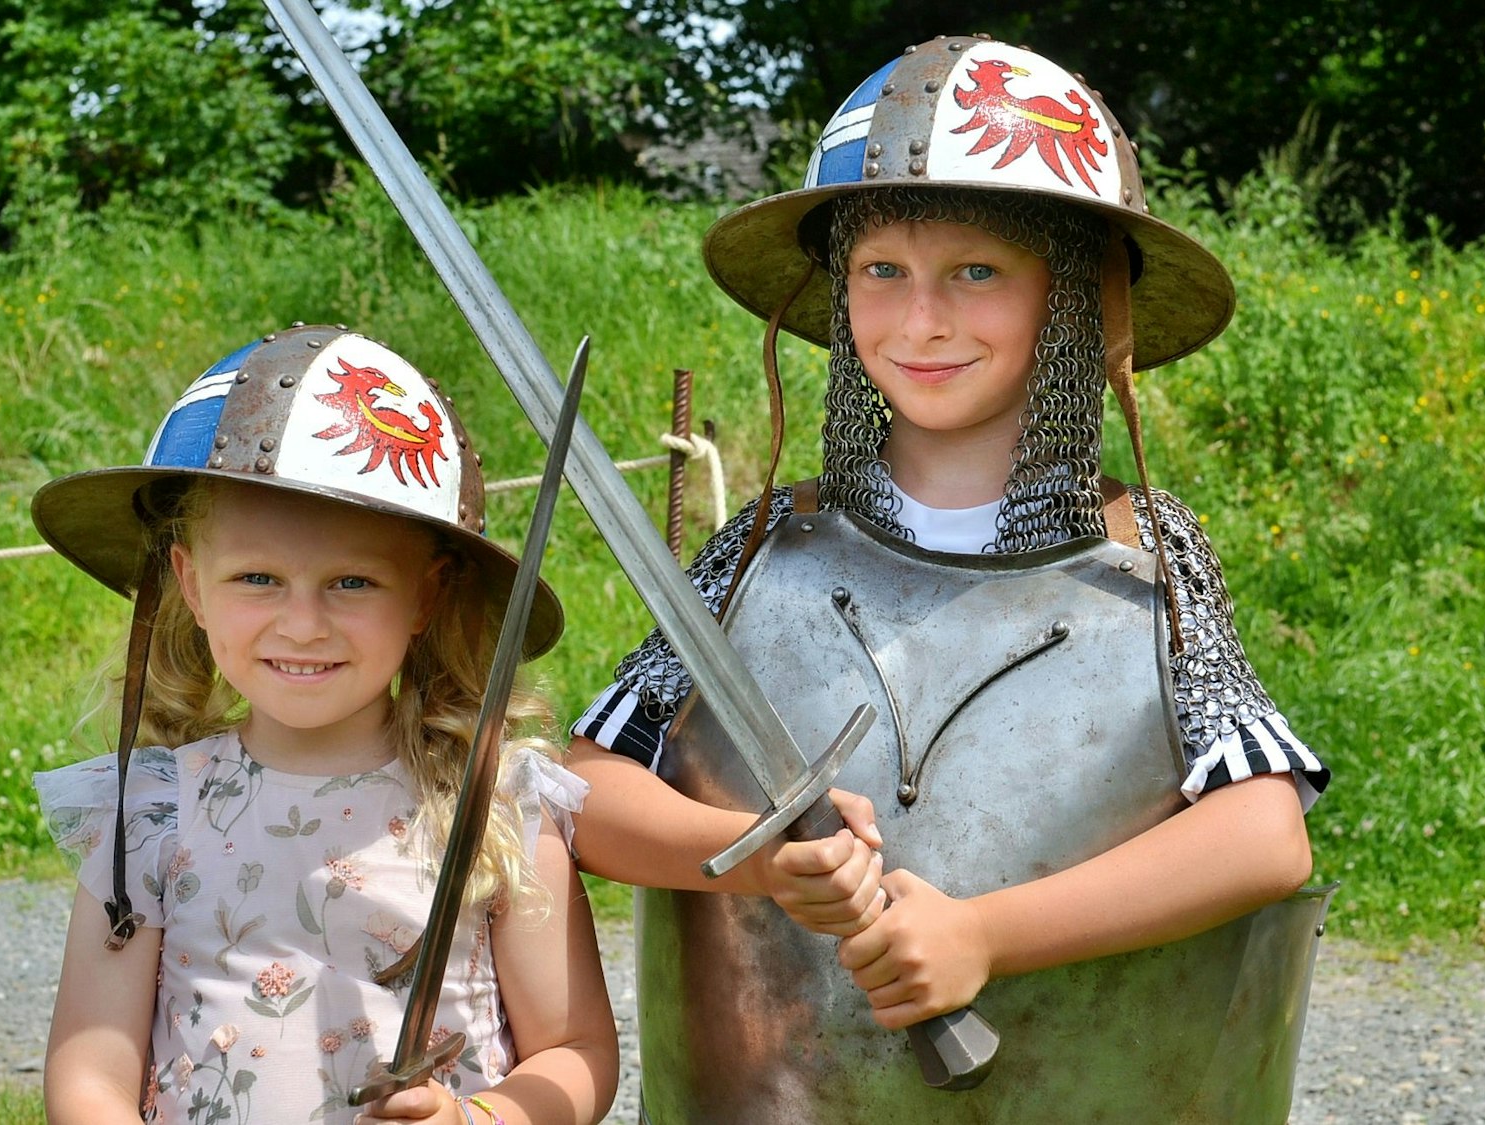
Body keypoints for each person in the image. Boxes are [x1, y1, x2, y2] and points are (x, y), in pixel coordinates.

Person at [567, 34, 1333, 1122]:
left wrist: (981, 934)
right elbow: (583, 793)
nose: (920, 319)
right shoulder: (757, 551)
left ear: (1075, 298)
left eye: (976, 271)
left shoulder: (1146, 562)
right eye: (881, 272)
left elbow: (1262, 834)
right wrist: (745, 859)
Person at [30, 325, 618, 1125]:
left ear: (427, 594)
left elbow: (576, 1050)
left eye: (351, 580)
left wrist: (483, 1120)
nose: (302, 624)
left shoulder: (496, 806)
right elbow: (89, 1074)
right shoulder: (151, 812)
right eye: (257, 577)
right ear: (191, 584)